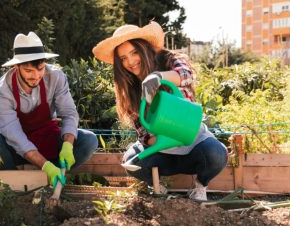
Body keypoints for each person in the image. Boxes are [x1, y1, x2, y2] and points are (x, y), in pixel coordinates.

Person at [92, 22, 227, 201]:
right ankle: (158, 187)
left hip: (193, 144)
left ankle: (200, 185)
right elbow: (143, 134)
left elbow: (186, 75)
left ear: (144, 47)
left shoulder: (168, 60)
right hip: (164, 152)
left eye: (134, 52)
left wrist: (159, 77)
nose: (130, 62)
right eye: (123, 58)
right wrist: (159, 138)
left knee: (216, 154)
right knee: (132, 160)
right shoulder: (130, 87)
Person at [0, 31, 98, 187]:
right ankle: (16, 186)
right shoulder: (0, 93)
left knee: (89, 140)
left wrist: (68, 145)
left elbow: (69, 113)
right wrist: (45, 165)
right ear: (16, 67)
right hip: (13, 148)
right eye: (29, 71)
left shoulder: (55, 77)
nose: (36, 76)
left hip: (46, 138)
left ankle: (56, 174)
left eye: (40, 69)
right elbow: (15, 137)